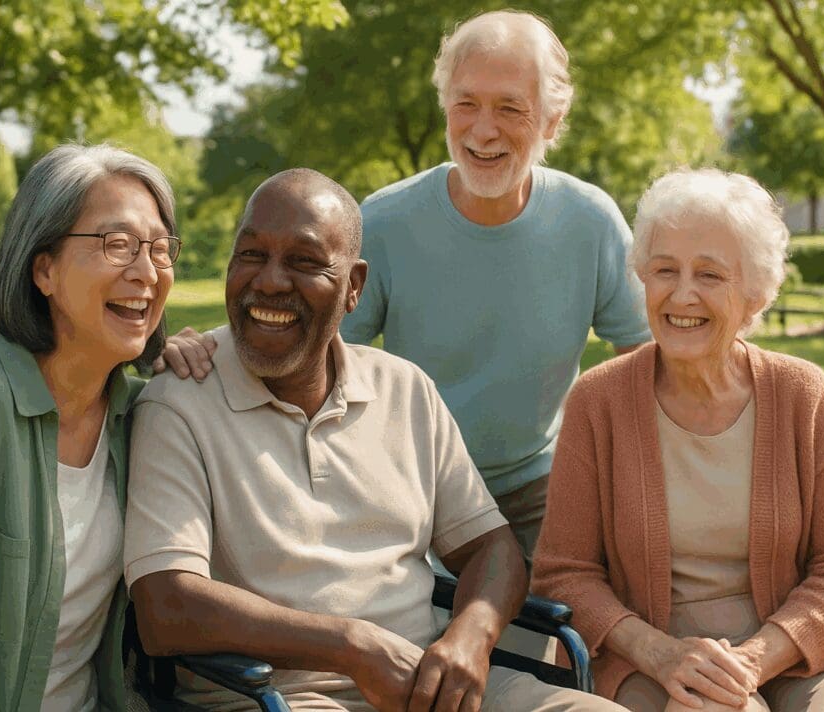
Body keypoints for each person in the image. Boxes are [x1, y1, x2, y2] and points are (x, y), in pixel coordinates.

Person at [123, 168, 625, 712]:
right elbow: (166, 606)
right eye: (251, 255)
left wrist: (470, 638)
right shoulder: (180, 402)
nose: (269, 282)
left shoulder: (404, 389)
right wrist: (351, 647)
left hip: (431, 688)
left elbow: (491, 547)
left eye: (304, 262)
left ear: (354, 287)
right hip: (283, 699)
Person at [531, 168, 824, 712]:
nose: (683, 294)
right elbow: (564, 573)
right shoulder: (598, 400)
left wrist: (752, 660)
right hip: (652, 657)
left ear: (754, 294)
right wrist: (661, 654)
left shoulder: (804, 394)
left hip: (805, 648)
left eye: (709, 274)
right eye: (665, 270)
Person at [341, 11, 650, 562]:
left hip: (542, 489)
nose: (483, 131)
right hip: (413, 486)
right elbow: (320, 355)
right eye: (466, 104)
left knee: (578, 609)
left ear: (552, 120)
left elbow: (645, 356)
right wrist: (209, 353)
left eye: (510, 108)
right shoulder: (383, 222)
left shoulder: (591, 221)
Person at [0, 144, 187, 711]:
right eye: (117, 244)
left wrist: (199, 373)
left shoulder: (147, 415)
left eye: (159, 248)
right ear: (44, 269)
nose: (147, 272)